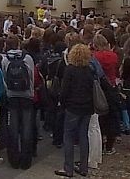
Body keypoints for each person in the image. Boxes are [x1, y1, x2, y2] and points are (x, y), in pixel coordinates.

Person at [55, 43, 94, 178]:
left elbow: (64, 90)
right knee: (83, 136)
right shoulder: (89, 70)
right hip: (87, 107)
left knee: (69, 136)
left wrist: (62, 103)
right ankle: (83, 167)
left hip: (72, 107)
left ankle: (68, 168)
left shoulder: (70, 70)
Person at [1, 34, 34, 170]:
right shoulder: (27, 58)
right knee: (26, 128)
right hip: (26, 95)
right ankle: (26, 160)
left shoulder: (5, 59)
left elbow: (4, 77)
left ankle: (14, 159)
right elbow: (31, 75)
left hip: (12, 96)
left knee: (13, 128)